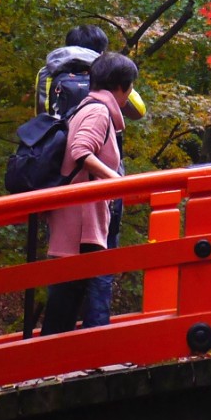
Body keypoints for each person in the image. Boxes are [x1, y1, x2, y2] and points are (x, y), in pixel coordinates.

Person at [40, 51, 136, 335]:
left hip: (81, 217)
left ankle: (56, 362)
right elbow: (80, 150)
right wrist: (116, 181)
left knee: (69, 295)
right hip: (81, 219)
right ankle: (51, 363)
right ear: (120, 86)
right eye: (129, 87)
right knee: (67, 296)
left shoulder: (89, 106)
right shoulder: (98, 111)